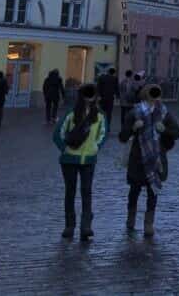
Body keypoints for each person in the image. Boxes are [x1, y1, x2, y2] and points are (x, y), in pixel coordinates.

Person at [119, 84, 179, 237]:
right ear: (145, 95)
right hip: (137, 158)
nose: (155, 98)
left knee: (153, 190)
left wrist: (164, 130)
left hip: (156, 158)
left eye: (157, 94)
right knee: (134, 190)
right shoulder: (135, 112)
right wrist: (133, 128)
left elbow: (177, 132)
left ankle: (149, 224)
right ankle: (131, 218)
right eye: (152, 94)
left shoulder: (164, 112)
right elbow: (122, 137)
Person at [52, 83, 107, 241]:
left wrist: (95, 148)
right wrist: (65, 150)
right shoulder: (71, 114)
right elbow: (58, 134)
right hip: (69, 160)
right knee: (70, 192)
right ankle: (69, 225)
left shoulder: (100, 116)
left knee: (86, 191)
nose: (90, 98)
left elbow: (102, 135)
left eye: (92, 95)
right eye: (87, 94)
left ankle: (86, 226)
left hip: (89, 159)